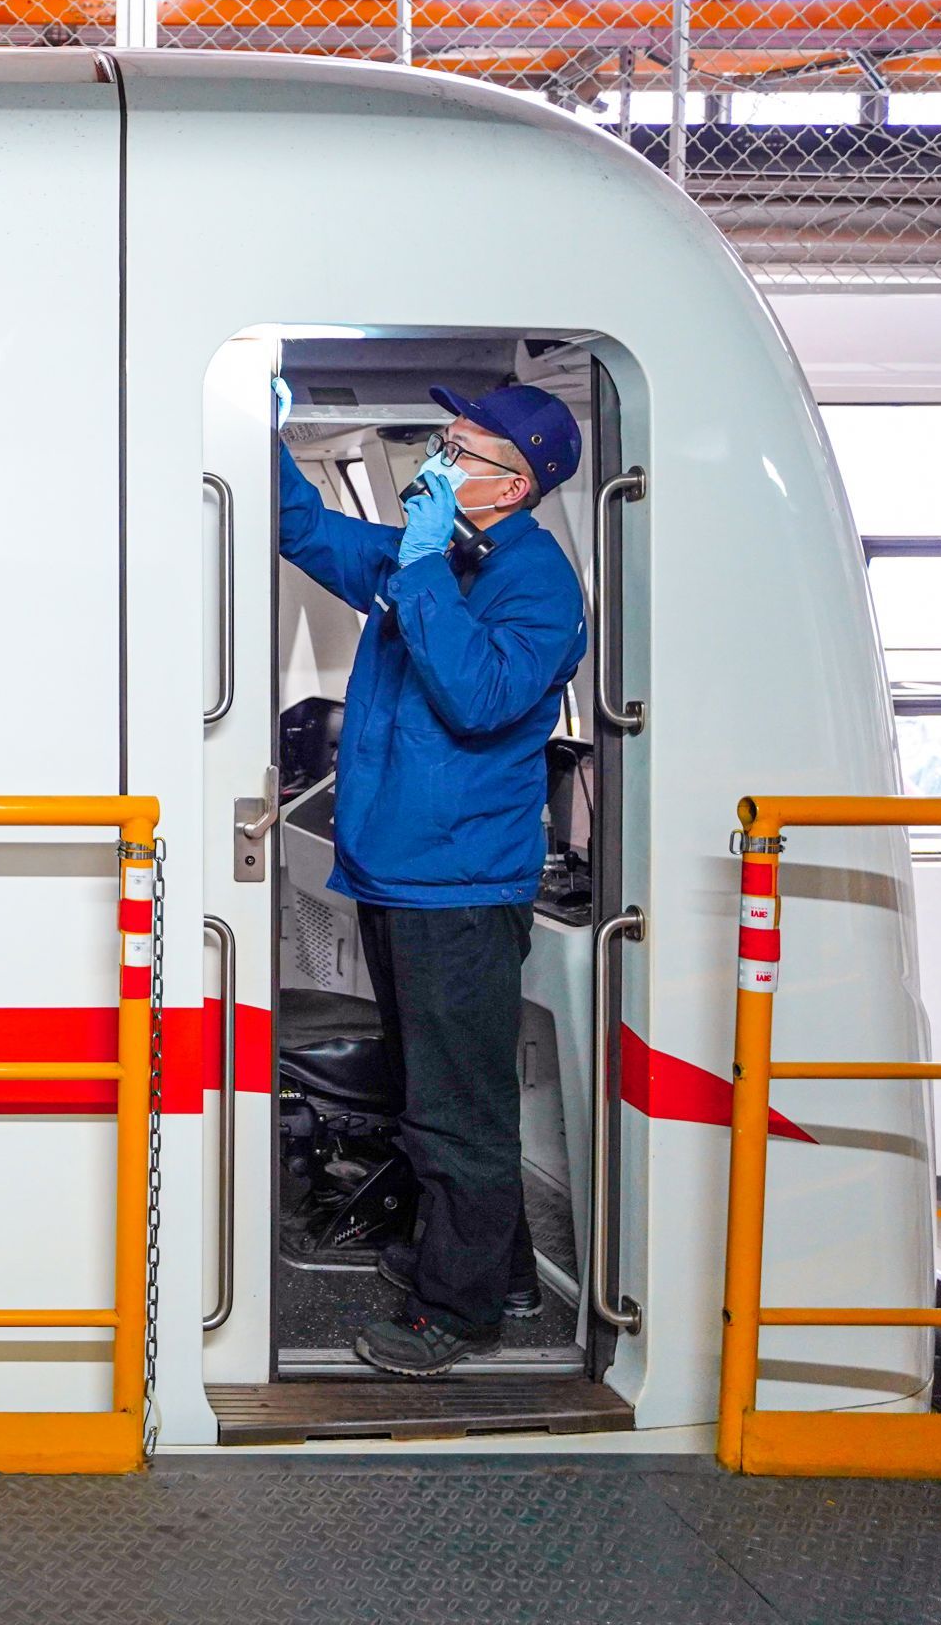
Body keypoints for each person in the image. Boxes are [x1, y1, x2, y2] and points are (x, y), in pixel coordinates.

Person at [274, 380, 588, 1378]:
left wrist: (418, 570)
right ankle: (501, 1271)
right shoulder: (438, 553)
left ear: (513, 485)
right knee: (429, 1090)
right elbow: (304, 530)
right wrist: (259, 429)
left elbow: (478, 695)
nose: (436, 463)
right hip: (398, 875)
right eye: (441, 442)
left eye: (460, 450)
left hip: (459, 887)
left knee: (459, 1110)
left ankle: (457, 1312)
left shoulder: (535, 585)